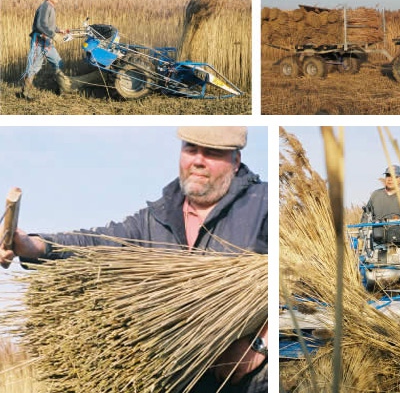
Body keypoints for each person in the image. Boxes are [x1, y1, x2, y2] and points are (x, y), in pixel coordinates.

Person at [0, 126, 267, 393]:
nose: (197, 160)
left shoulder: (263, 205)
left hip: (242, 383)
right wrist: (34, 245)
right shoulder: (156, 218)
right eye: (190, 149)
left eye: (211, 153)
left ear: (235, 162)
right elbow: (97, 243)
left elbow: (296, 281)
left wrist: (259, 345)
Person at [22, 0, 73, 98]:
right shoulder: (45, 7)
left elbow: (49, 25)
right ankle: (25, 92)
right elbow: (40, 25)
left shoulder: (50, 7)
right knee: (35, 66)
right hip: (39, 42)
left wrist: (59, 30)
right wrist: (54, 35)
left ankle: (61, 88)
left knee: (57, 62)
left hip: (47, 42)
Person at [363, 165, 400, 245]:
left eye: (394, 176)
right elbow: (365, 218)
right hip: (377, 242)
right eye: (388, 175)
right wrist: (362, 234)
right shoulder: (375, 195)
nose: (390, 179)